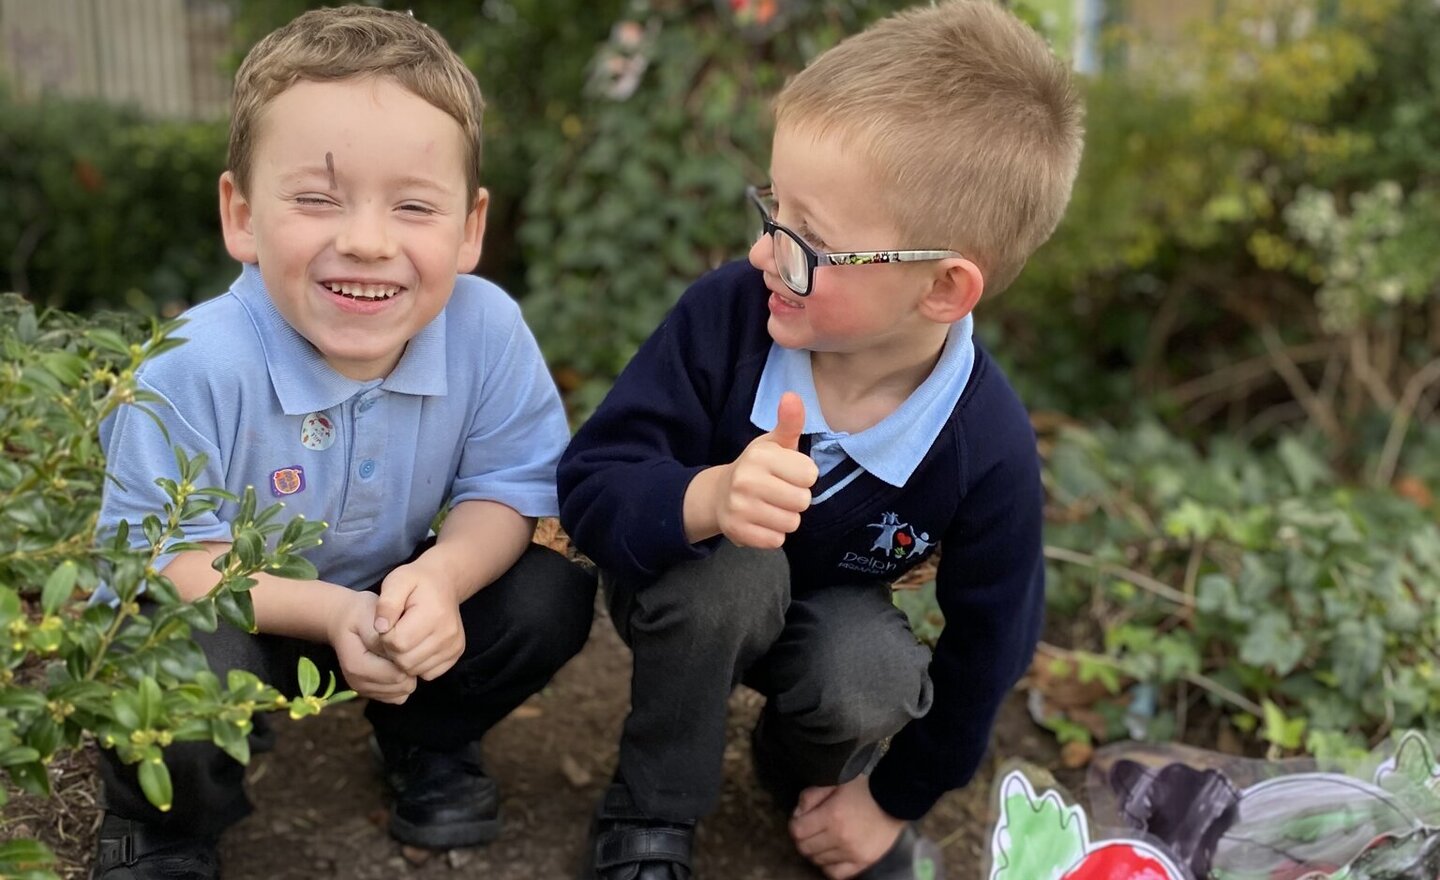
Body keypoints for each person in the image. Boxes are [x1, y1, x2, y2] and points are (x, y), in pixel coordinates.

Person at [558, 1, 1084, 877]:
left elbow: (992, 644)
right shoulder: (728, 319)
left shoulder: (985, 444)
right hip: (689, 586)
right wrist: (706, 497)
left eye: (808, 241)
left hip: (826, 624)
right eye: (773, 213)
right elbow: (592, 481)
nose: (768, 255)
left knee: (873, 669)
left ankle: (797, 775)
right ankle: (652, 809)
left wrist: (892, 800)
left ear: (944, 290)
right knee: (734, 572)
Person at [91, 7, 596, 878]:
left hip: (396, 604)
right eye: (317, 199)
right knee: (171, 657)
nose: (366, 241)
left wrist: (438, 580)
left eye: (412, 205)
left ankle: (424, 740)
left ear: (470, 227)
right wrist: (331, 613)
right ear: (241, 215)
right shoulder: (192, 364)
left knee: (546, 595)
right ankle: (167, 823)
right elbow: (158, 557)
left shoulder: (487, 329)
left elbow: (512, 488)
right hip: (237, 610)